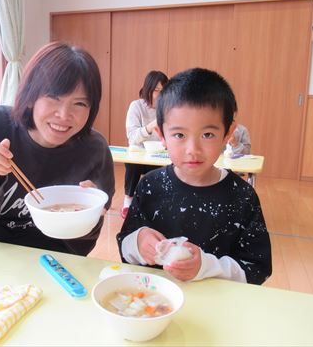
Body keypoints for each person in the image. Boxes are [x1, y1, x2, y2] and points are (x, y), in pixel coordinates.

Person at [0, 42, 115, 256]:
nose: (64, 115)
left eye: (80, 104)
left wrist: (85, 217)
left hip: (51, 262)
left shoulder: (94, 151)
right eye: (53, 98)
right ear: (30, 97)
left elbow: (82, 247)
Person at [116, 68, 272, 285]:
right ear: (161, 135)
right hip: (155, 302)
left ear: (228, 134)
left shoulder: (242, 196)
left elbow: (257, 268)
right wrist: (138, 242)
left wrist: (204, 267)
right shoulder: (150, 185)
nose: (193, 149)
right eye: (179, 135)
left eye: (207, 134)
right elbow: (125, 244)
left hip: (218, 305)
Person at [121, 70, 169, 219]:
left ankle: (159, 203)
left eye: (163, 91)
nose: (159, 95)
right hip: (140, 155)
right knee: (132, 163)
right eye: (156, 90)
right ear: (148, 89)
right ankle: (128, 200)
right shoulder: (136, 106)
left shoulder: (168, 108)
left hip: (161, 156)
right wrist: (150, 127)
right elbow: (132, 137)